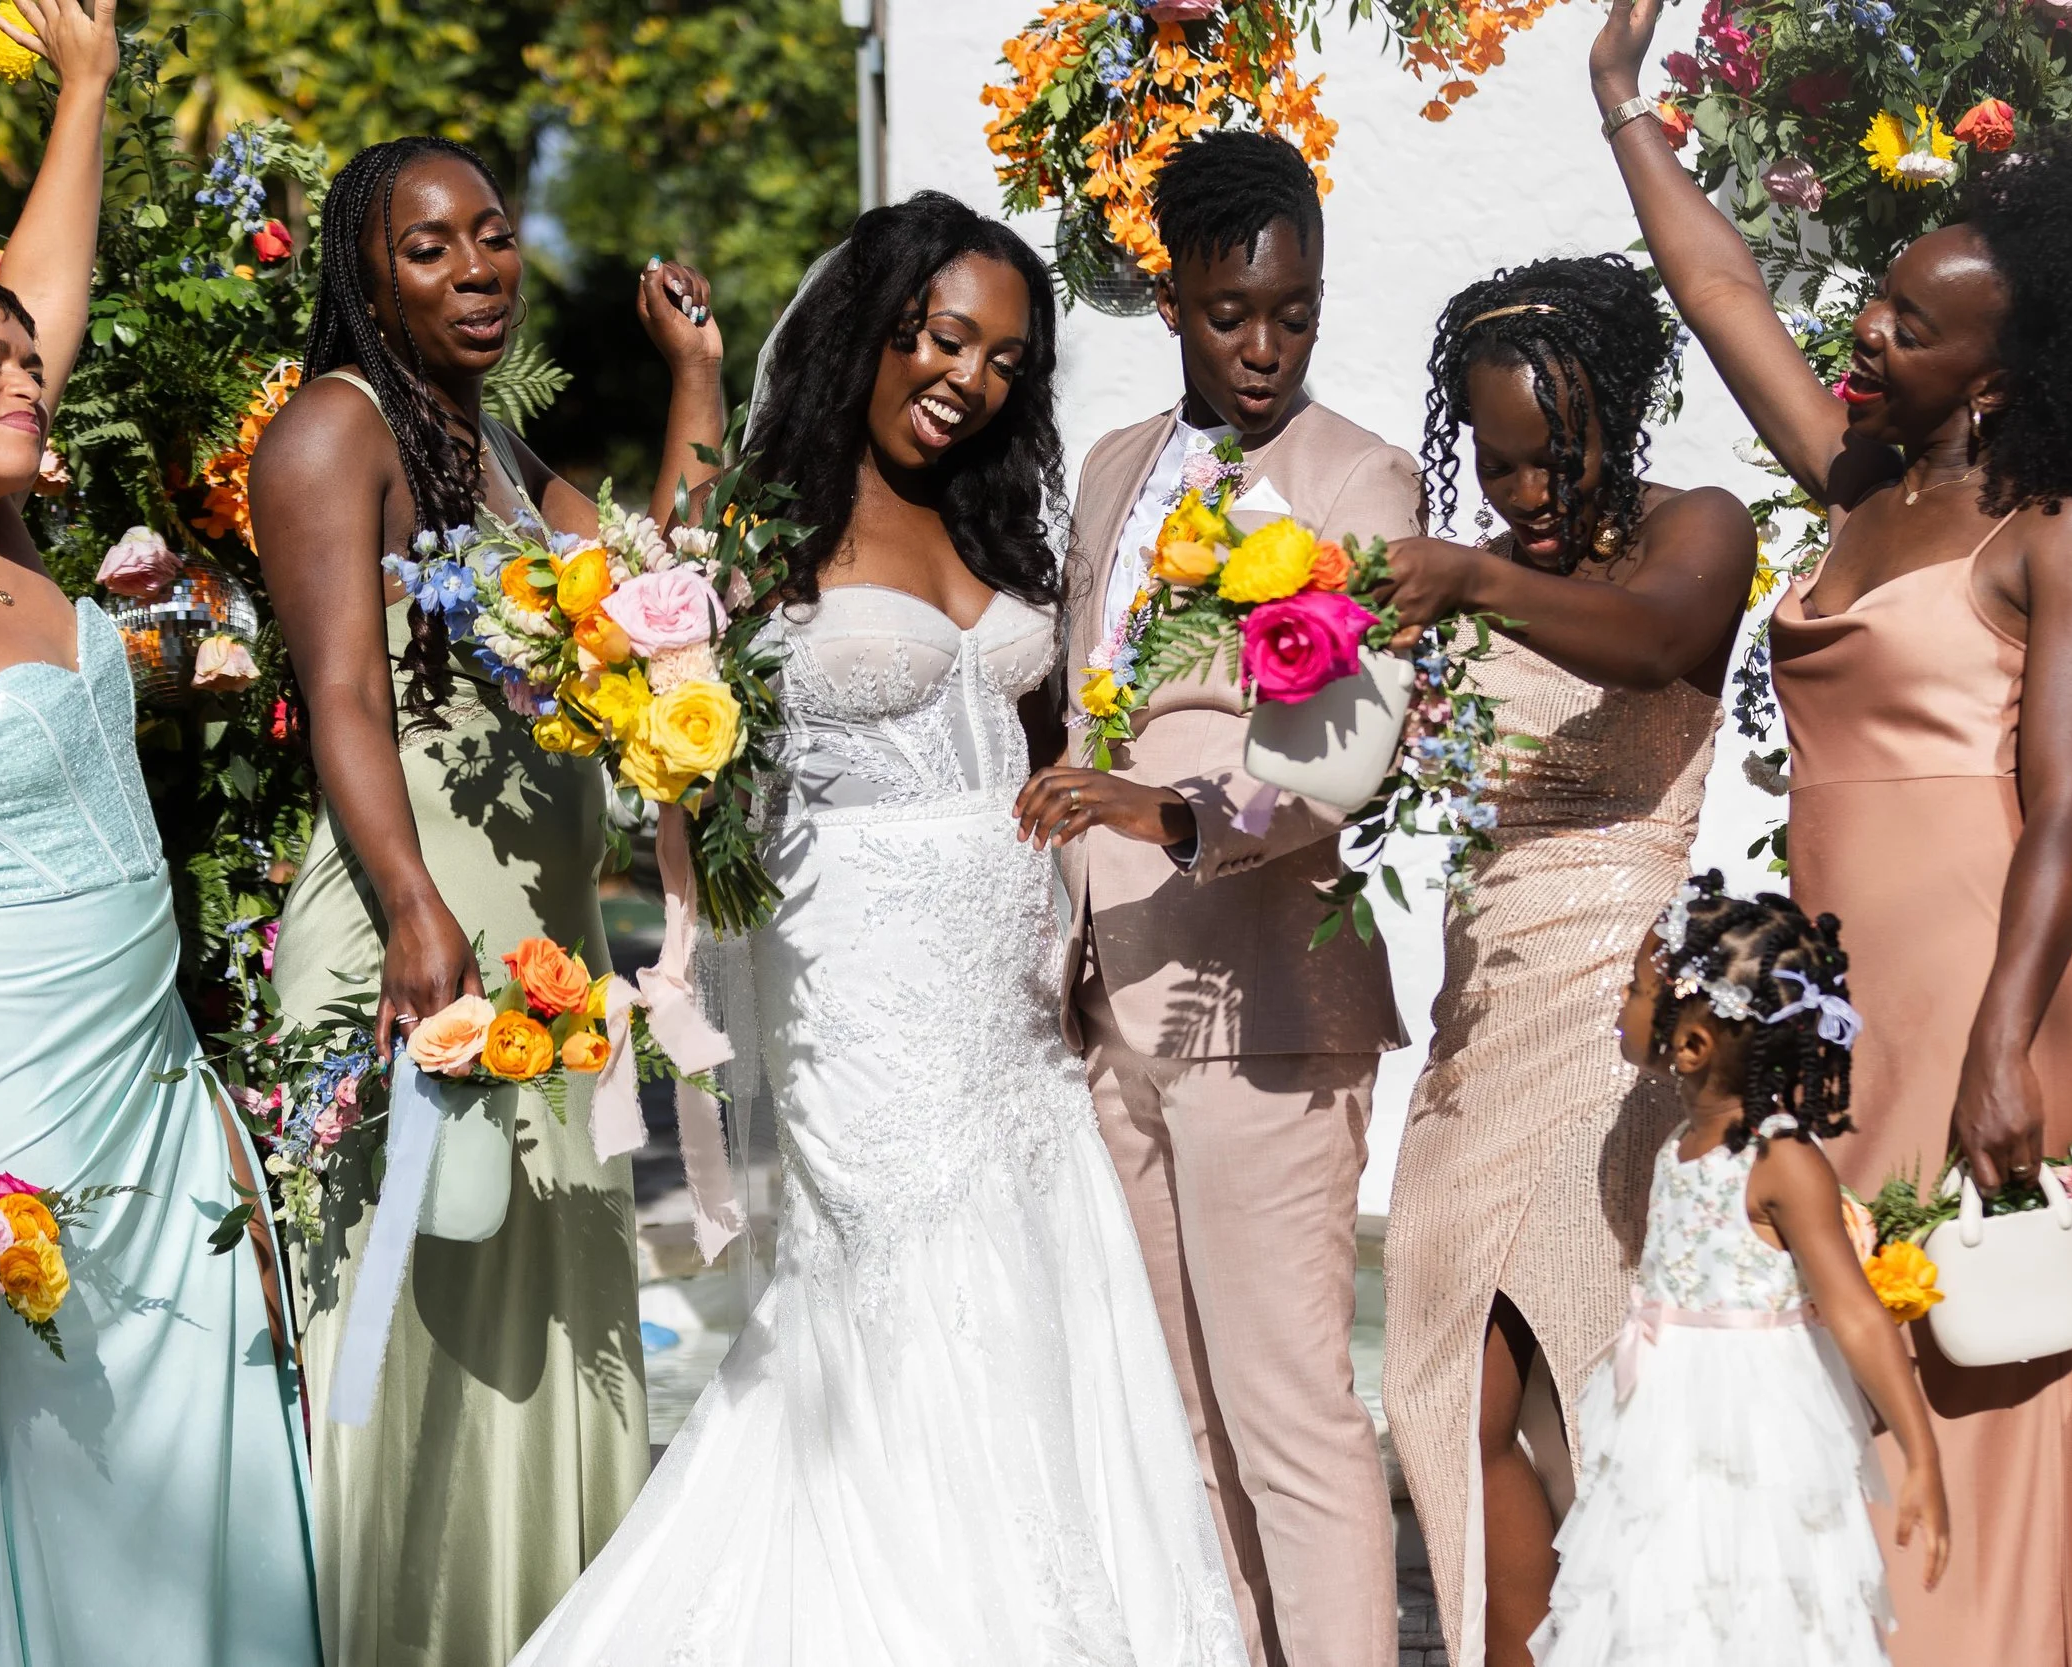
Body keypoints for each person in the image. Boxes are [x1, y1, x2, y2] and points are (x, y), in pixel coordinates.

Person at [507, 191, 1246, 1667]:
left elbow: (1036, 726)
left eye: (1003, 361)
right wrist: (698, 381)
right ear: (878, 322)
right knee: (911, 1273)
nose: (968, 379)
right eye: (942, 336)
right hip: (861, 972)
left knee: (1036, 1267)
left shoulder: (989, 509)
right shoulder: (775, 521)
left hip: (1008, 981)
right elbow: (674, 631)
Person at [1592, 0, 2072, 1659]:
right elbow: (1724, 297)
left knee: (1987, 1348)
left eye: (1906, 323)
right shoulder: (1865, 484)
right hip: (1856, 986)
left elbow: (2069, 797)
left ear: (2003, 367)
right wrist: (1618, 109)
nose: (1862, 330)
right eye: (1872, 304)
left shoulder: (2061, 521)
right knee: (1862, 1345)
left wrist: (2007, 1039)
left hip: (2003, 980)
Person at [249, 137, 721, 1666]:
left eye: (495, 239)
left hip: (544, 942)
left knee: (547, 1315)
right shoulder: (338, 428)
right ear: (367, 271)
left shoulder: (503, 459)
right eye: (432, 247)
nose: (478, 271)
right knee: (425, 1313)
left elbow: (672, 591)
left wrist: (695, 377)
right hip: (417, 927)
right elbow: (342, 699)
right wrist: (411, 909)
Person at [0, 2, 320, 1662]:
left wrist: (85, 85)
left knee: (213, 1414)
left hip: (152, 1077)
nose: (21, 380)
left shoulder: (20, 561)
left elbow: (31, 312)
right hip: (13, 1095)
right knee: (81, 1466)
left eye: (25, 363)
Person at [1010, 129, 1414, 1667]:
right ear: (1170, 298)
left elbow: (1335, 767)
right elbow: (1077, 707)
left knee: (1292, 1416)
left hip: (1265, 1007)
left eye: (1294, 312)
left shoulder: (1357, 478)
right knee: (1174, 1413)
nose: (1264, 347)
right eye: (1231, 311)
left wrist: (1165, 811)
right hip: (1109, 1002)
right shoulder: (1111, 467)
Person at [1368, 252, 1751, 1667]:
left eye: (1550, 456)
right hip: (1479, 1017)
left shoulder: (1694, 531)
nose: (1523, 490)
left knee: (1586, 1389)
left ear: (1621, 411)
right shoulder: (1481, 578)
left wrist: (1471, 576)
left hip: (1613, 1013)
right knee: (1438, 1400)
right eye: (1496, 460)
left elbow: (1657, 646)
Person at [1535, 877, 1947, 1666]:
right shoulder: (1681, 1144)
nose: (1621, 1002)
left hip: (1757, 1422)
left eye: (1636, 989)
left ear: (1691, 1043)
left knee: (1755, 1599)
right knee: (1668, 1598)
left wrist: (1922, 1450)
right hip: (1667, 1415)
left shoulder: (1781, 1160)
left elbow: (1856, 1311)